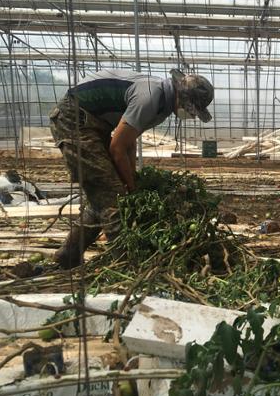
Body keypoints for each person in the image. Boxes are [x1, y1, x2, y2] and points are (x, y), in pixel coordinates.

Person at [49, 69, 214, 269]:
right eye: (192, 109)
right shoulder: (151, 98)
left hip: (93, 123)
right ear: (182, 98)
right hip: (74, 119)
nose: (191, 115)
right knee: (112, 195)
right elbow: (117, 148)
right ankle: (127, 266)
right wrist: (130, 185)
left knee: (102, 197)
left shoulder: (161, 104)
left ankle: (68, 256)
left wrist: (131, 176)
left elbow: (128, 141)